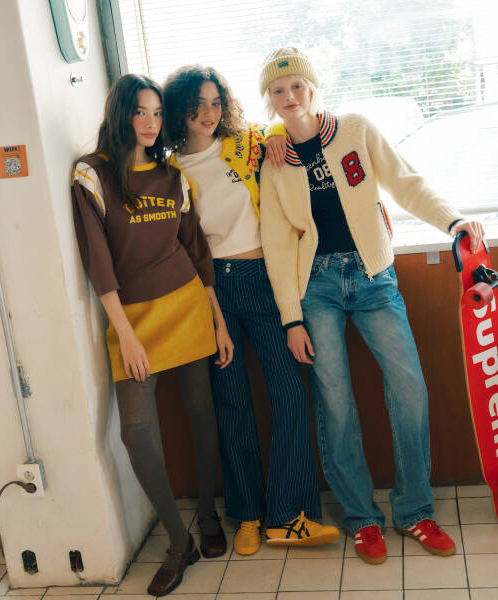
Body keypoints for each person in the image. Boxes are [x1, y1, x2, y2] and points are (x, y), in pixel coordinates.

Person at [258, 47, 485, 565]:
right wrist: (291, 318)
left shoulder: (356, 130)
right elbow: (277, 243)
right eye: (278, 90)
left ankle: (414, 511)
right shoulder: (273, 158)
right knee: (335, 403)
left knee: (410, 391)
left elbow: (405, 182)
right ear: (268, 99)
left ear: (313, 87)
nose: (290, 96)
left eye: (297, 86)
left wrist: (452, 220)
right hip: (315, 285)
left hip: (373, 276)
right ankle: (361, 518)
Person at [162, 65, 339, 556]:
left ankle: (289, 515)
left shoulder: (247, 144)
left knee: (290, 394)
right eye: (197, 105)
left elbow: (285, 122)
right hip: (213, 290)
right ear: (179, 110)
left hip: (265, 278)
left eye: (216, 103)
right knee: (232, 403)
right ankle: (248, 515)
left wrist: (278, 132)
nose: (208, 113)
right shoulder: (172, 172)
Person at [71, 74, 230, 596]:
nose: (150, 122)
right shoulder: (92, 175)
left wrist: (218, 319)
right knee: (136, 432)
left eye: (158, 113)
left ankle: (208, 515)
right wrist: (127, 335)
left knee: (201, 412)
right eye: (141, 111)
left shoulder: (171, 176)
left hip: (187, 304)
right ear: (120, 113)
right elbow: (98, 263)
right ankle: (178, 541)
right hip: (131, 319)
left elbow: (195, 248)